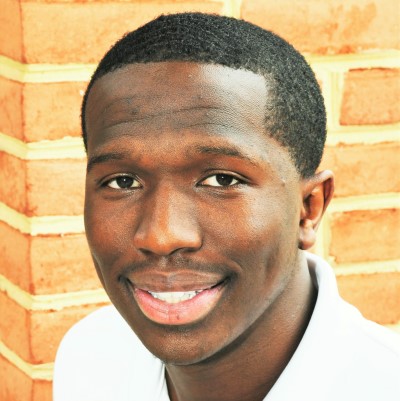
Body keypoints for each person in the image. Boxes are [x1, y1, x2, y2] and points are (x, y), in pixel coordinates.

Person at [53, 12, 400, 401]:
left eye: (221, 180)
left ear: (309, 208)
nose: (161, 235)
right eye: (123, 182)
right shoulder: (88, 357)